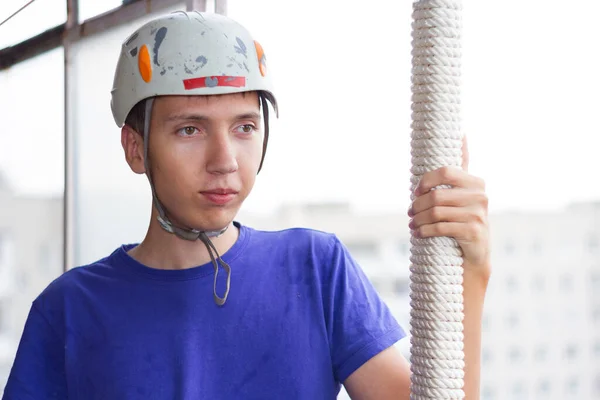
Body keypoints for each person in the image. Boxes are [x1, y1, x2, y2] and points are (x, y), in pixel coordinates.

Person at [3, 10, 490, 400]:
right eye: (189, 129)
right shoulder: (67, 310)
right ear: (135, 148)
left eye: (244, 127)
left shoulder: (316, 270)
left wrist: (471, 273)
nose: (225, 161)